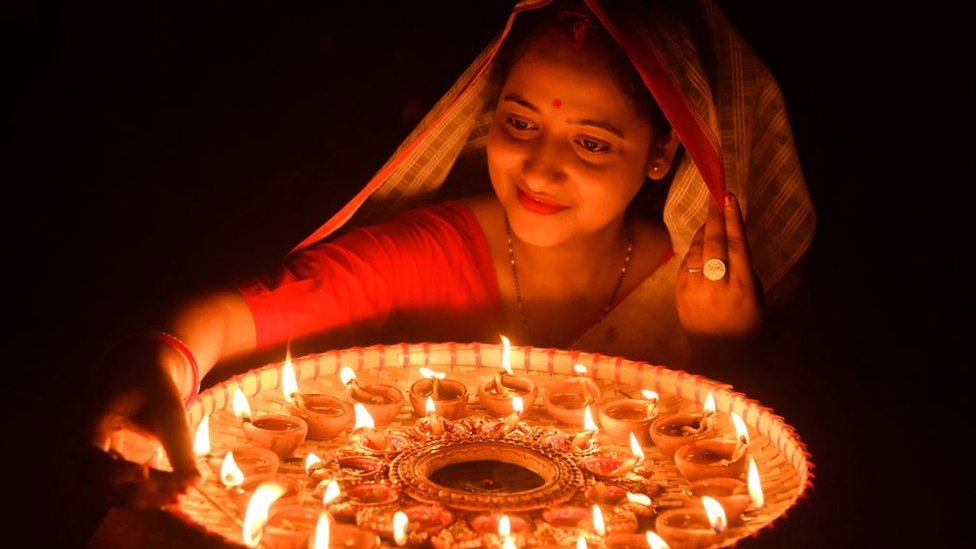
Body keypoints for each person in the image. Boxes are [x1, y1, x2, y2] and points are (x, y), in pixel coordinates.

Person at [89, 0, 814, 511]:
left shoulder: (699, 288)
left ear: (661, 154)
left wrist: (726, 349)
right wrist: (157, 369)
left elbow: (740, 490)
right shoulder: (438, 250)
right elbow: (228, 315)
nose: (538, 168)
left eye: (591, 142)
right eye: (519, 121)